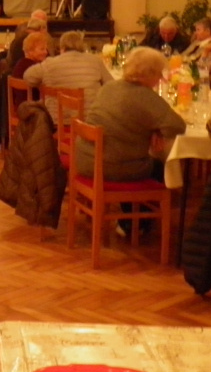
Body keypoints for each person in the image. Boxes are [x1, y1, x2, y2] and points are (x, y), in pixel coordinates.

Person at [75, 47, 186, 237]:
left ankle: (129, 220)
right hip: (112, 167)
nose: (161, 78)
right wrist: (158, 131)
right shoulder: (146, 97)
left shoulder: (110, 87)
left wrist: (155, 130)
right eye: (159, 74)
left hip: (86, 160)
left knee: (129, 157)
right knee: (158, 167)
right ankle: (136, 225)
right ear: (150, 73)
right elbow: (178, 126)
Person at [22, 31, 112, 122]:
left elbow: (28, 76)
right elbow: (111, 85)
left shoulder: (49, 64)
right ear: (82, 46)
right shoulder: (95, 61)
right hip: (89, 121)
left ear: (62, 48)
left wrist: (42, 84)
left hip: (57, 121)